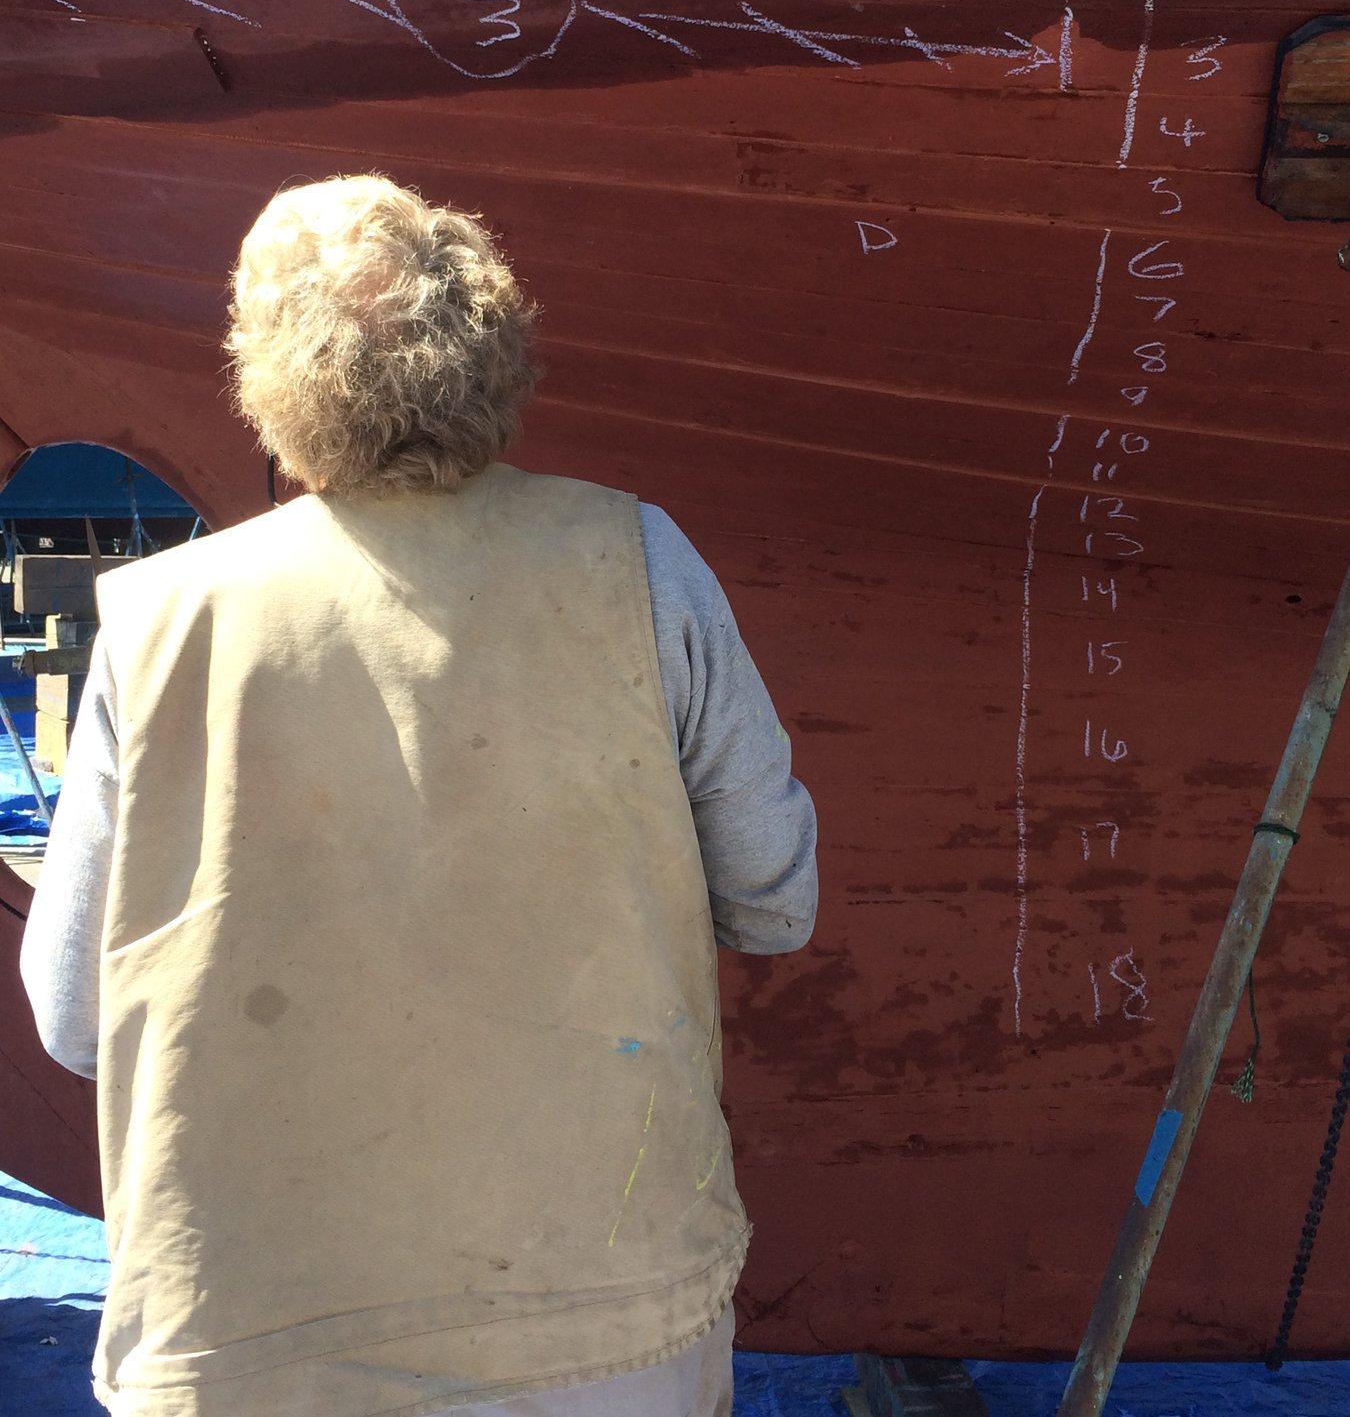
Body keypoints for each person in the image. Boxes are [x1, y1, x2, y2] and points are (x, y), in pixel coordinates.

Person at [21, 174, 818, 1417]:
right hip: (603, 1327)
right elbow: (777, 901)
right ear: (495, 345)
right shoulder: (642, 563)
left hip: (250, 1340)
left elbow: (76, 1016)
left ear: (267, 376)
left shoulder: (159, 624)